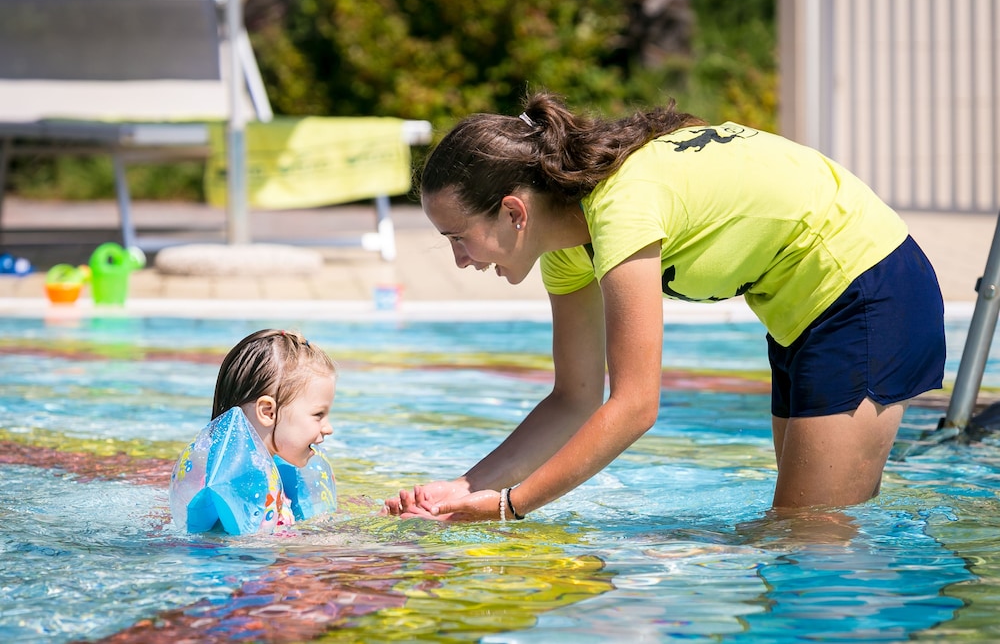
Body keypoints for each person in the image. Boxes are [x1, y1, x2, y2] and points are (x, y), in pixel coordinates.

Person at [384, 90, 946, 522]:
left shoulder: (619, 206)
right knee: (803, 526)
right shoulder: (566, 250)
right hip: (804, 315)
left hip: (867, 290)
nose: (458, 260)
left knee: (811, 537)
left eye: (458, 236)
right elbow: (573, 398)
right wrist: (467, 489)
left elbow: (635, 405)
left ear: (514, 212)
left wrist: (512, 506)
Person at [170, 328, 338, 534]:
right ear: (268, 412)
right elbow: (248, 552)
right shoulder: (241, 484)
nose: (328, 428)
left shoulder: (264, 472)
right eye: (318, 415)